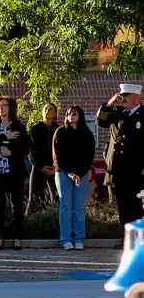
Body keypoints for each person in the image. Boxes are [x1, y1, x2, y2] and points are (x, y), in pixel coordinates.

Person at [0, 96, 30, 250]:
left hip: (15, 171)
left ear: (11, 107)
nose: (1, 108)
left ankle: (17, 238)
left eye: (4, 105)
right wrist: (3, 137)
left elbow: (25, 149)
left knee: (17, 205)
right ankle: (0, 237)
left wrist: (11, 153)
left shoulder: (19, 127)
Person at [98, 85, 144, 226]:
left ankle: (138, 240)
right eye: (122, 96)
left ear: (136, 97)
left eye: (126, 96)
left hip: (137, 170)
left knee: (137, 207)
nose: (123, 99)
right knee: (123, 207)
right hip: (119, 169)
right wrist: (109, 104)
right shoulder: (119, 113)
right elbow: (101, 121)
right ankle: (126, 239)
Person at [53, 106, 95, 250]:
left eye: (75, 113)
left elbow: (89, 156)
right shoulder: (60, 132)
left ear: (80, 116)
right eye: (70, 113)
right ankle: (65, 239)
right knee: (65, 206)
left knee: (78, 206)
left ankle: (79, 239)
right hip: (63, 173)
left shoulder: (87, 134)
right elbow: (57, 156)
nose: (72, 115)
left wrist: (80, 172)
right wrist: (70, 172)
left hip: (81, 174)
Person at [28, 103, 58, 211]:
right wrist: (40, 166)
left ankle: (55, 221)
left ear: (54, 114)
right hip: (38, 168)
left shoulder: (59, 130)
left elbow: (62, 151)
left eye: (50, 109)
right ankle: (32, 223)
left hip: (54, 168)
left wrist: (56, 167)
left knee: (56, 197)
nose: (47, 110)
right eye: (45, 108)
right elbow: (31, 151)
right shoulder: (35, 129)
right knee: (34, 199)